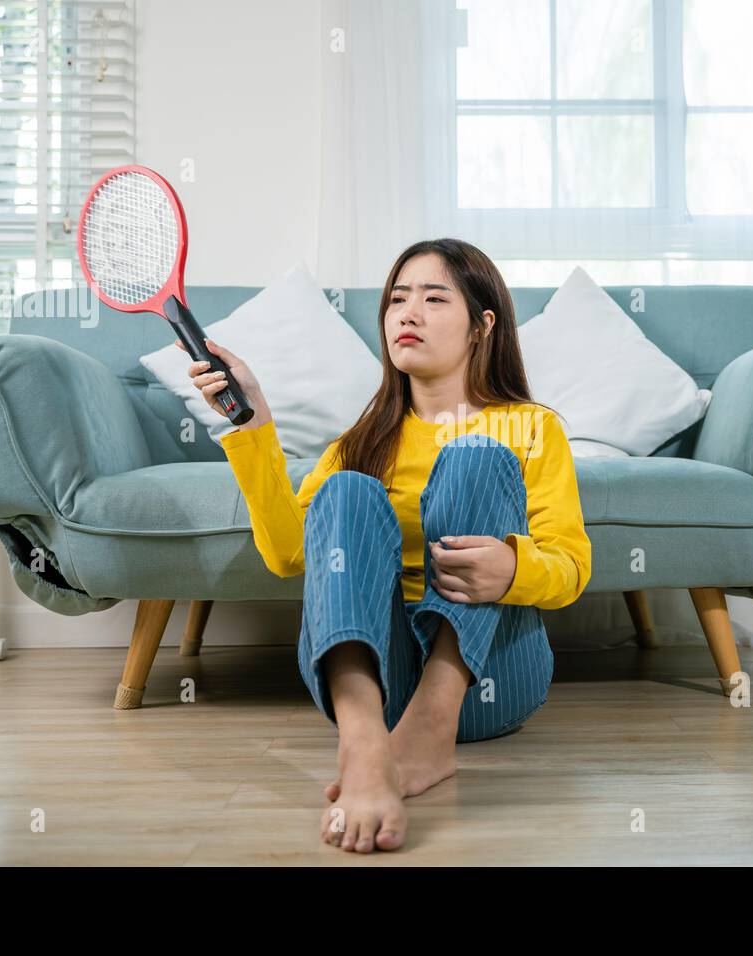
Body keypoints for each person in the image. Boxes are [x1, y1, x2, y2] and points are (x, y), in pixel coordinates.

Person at [182, 238, 591, 853]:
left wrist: (514, 567)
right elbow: (290, 555)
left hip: (491, 678)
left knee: (474, 458)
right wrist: (254, 422)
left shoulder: (532, 427)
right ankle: (365, 743)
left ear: (483, 326)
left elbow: (571, 567)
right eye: (397, 299)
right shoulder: (361, 441)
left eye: (433, 298)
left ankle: (433, 724)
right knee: (344, 491)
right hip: (380, 685)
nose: (407, 312)